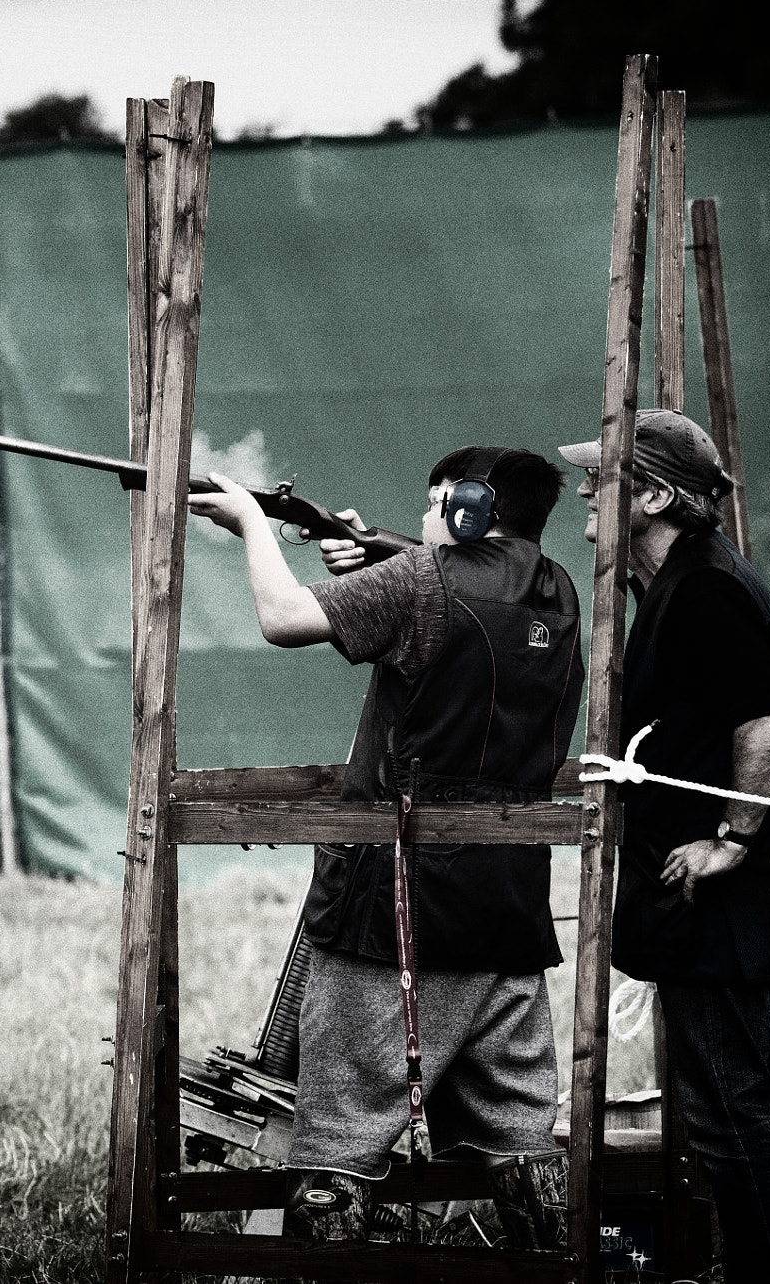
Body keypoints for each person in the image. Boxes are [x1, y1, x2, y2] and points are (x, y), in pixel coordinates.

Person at [189, 447, 583, 1247]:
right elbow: (472, 591)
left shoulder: (422, 583)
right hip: (505, 918)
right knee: (525, 1153)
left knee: (335, 1162)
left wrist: (254, 526)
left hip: (392, 918)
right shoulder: (560, 593)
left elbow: (284, 617)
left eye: (440, 502)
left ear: (471, 507)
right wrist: (381, 547)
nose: (434, 515)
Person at [559, 409, 770, 1283]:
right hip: (693, 899)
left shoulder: (707, 585)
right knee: (732, 1102)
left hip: (718, 898)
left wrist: (732, 840)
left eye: (604, 479)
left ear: (657, 494)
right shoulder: (672, 585)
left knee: (736, 1105)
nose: (587, 494)